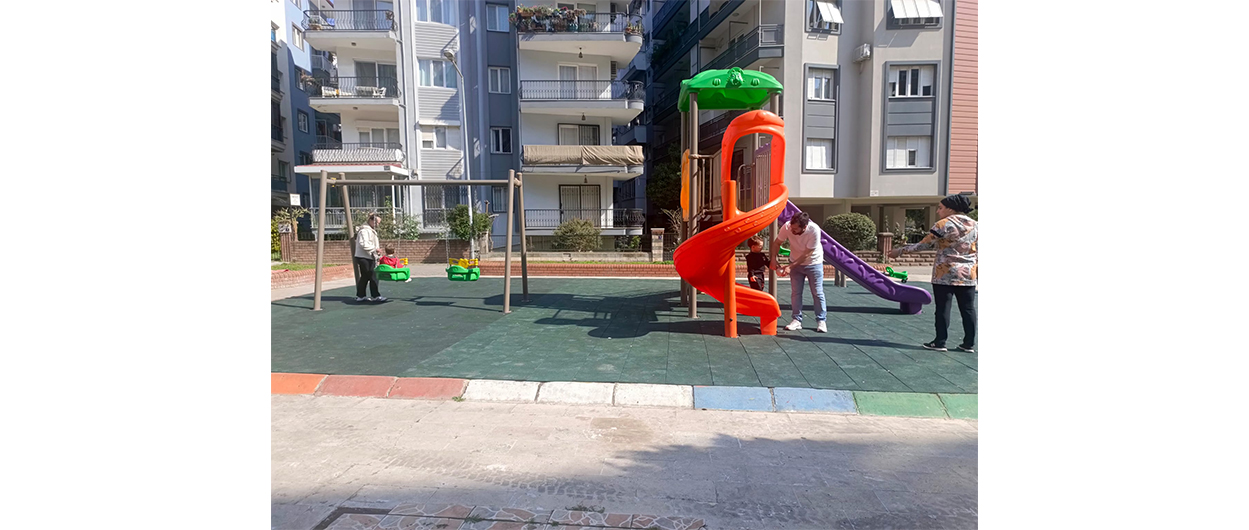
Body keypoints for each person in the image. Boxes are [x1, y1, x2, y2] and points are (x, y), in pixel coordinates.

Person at [890, 194, 977, 352]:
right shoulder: (976, 225)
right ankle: (969, 343)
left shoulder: (943, 224)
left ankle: (940, 342)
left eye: (940, 208)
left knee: (943, 308)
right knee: (968, 308)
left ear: (950, 209)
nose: (938, 211)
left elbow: (924, 244)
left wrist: (901, 251)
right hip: (968, 273)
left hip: (945, 272)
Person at [769, 211, 827, 333]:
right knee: (796, 292)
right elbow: (777, 243)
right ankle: (796, 320)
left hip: (814, 263)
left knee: (817, 292)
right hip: (795, 261)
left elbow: (807, 254)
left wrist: (790, 267)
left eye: (795, 229)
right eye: (791, 227)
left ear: (804, 227)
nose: (792, 230)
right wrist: (773, 258)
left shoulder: (814, 230)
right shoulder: (787, 227)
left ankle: (821, 320)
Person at [353, 213, 387, 303]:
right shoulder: (364, 230)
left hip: (366, 256)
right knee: (373, 275)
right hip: (364, 256)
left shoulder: (369, 230)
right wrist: (375, 249)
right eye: (376, 222)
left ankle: (361, 295)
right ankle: (375, 295)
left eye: (378, 223)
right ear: (371, 220)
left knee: (365, 276)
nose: (377, 225)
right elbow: (363, 243)